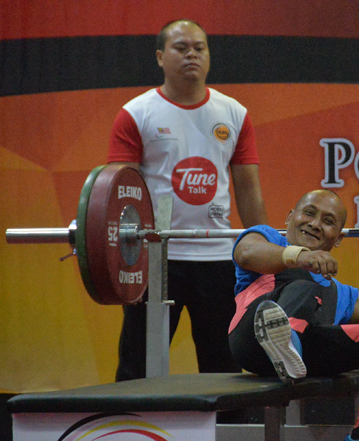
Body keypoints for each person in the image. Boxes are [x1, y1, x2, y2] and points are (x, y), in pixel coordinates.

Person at [107, 18, 267, 393]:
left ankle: (229, 433)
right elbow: (119, 193)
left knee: (225, 367)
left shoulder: (234, 114)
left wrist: (266, 254)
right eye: (182, 48)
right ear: (161, 57)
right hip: (156, 258)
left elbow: (248, 190)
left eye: (200, 47)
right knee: (138, 367)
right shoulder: (136, 113)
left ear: (209, 57)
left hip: (218, 260)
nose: (192, 54)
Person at [228, 189, 359, 441]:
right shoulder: (268, 238)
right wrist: (300, 257)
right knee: (304, 281)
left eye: (328, 221)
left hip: (302, 360)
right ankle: (287, 342)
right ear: (289, 217)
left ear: (338, 238)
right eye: (309, 213)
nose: (315, 224)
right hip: (250, 340)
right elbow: (245, 253)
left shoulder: (336, 291)